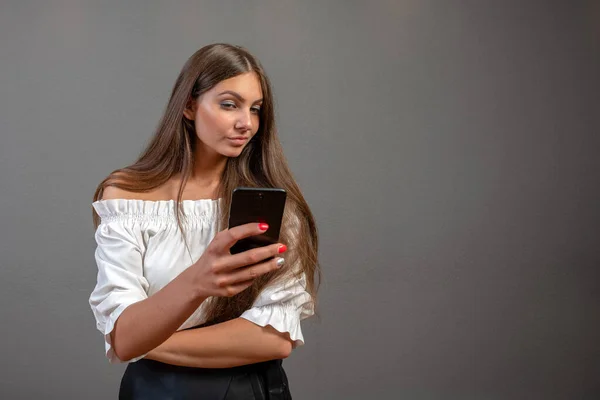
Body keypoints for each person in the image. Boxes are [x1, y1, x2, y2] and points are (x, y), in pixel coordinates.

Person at [89, 43, 319, 399]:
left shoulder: (271, 207)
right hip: (155, 391)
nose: (247, 123)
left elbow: (274, 338)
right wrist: (196, 283)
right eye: (229, 104)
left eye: (255, 109)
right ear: (189, 105)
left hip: (251, 390)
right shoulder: (126, 198)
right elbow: (124, 334)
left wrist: (144, 339)